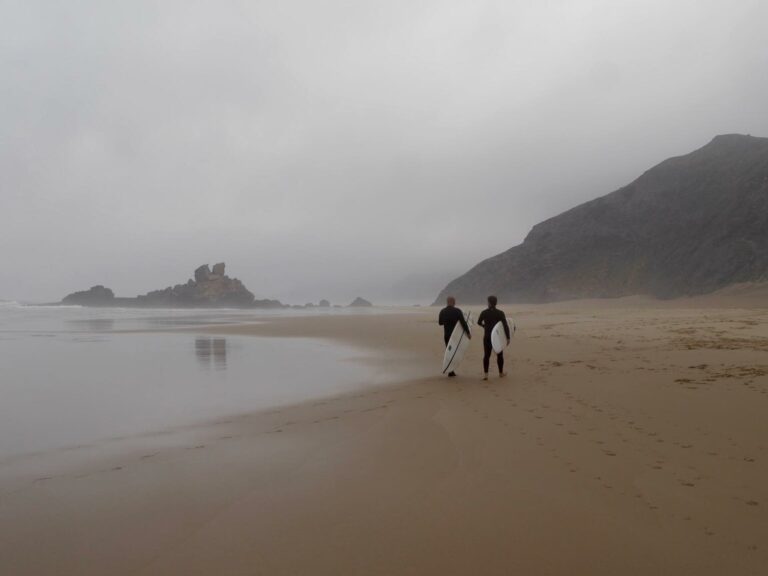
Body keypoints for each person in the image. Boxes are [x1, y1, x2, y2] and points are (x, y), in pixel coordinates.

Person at [477, 295, 511, 380]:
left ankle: (486, 375)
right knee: (499, 355)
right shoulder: (500, 313)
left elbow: (478, 322)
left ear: (489, 303)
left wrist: (484, 326)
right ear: (496, 303)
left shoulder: (484, 312)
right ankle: (501, 373)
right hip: (497, 337)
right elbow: (505, 325)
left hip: (487, 336)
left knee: (486, 355)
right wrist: (508, 337)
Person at [438, 296, 471, 377]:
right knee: (455, 352)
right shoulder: (457, 311)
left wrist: (446, 321)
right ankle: (451, 370)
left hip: (447, 335)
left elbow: (440, 323)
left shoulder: (442, 311)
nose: (455, 302)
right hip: (456, 335)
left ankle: (451, 371)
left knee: (449, 352)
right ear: (452, 302)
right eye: (454, 301)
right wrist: (468, 333)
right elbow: (463, 323)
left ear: (447, 302)